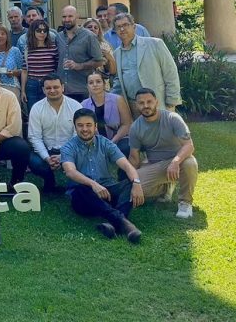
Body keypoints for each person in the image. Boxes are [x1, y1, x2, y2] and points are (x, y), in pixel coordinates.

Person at [61, 109, 144, 243]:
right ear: (75, 127)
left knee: (129, 183)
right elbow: (70, 171)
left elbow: (127, 166)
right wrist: (93, 184)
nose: (85, 129)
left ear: (95, 126)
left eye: (88, 125)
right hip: (84, 199)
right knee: (81, 189)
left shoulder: (105, 143)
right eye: (80, 125)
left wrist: (137, 182)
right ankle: (125, 224)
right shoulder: (68, 147)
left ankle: (111, 225)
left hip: (107, 192)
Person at [129, 88, 198, 219]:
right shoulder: (135, 127)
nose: (146, 106)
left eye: (149, 101)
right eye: (141, 103)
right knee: (138, 189)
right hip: (155, 165)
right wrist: (133, 179)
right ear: (136, 105)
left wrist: (175, 162)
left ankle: (185, 203)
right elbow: (134, 158)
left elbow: (189, 146)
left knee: (190, 162)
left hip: (178, 162)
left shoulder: (173, 118)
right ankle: (166, 188)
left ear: (156, 102)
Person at [111, 13, 181, 117]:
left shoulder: (155, 44)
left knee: (161, 132)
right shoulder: (117, 53)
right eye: (119, 27)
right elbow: (118, 81)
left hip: (157, 103)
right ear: (115, 31)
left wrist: (172, 100)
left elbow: (170, 72)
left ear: (134, 27)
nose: (122, 29)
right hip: (133, 105)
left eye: (125, 25)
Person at [27, 74, 81, 192]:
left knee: (82, 157)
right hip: (48, 151)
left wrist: (63, 156)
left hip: (70, 150)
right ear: (43, 90)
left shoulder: (76, 106)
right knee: (33, 161)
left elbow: (78, 136)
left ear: (62, 87)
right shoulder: (36, 108)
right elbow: (34, 137)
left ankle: (74, 184)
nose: (52, 90)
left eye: (56, 87)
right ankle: (49, 181)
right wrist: (47, 158)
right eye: (48, 88)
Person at [56, 5, 103, 103]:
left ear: (77, 17)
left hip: (81, 89)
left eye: (70, 16)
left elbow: (99, 61)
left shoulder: (89, 36)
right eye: (64, 17)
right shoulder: (58, 37)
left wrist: (79, 65)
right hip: (62, 90)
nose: (67, 19)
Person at [81, 72, 131, 156]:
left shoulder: (118, 100)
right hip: (95, 141)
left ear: (104, 84)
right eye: (91, 83)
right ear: (87, 87)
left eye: (98, 81)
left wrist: (112, 142)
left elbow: (126, 124)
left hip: (118, 138)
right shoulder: (83, 105)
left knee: (126, 148)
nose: (95, 85)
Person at [20, 19, 59, 108]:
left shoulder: (53, 47)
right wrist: (23, 91)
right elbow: (24, 71)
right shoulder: (27, 49)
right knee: (33, 111)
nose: (42, 33)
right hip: (32, 84)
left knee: (49, 109)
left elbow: (57, 68)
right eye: (38, 30)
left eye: (44, 30)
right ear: (33, 32)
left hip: (48, 84)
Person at [0, 25, 25, 100]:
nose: (0, 36)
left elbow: (22, 70)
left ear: (7, 36)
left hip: (12, 87)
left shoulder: (15, 51)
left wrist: (13, 73)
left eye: (3, 34)